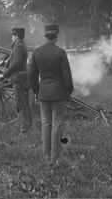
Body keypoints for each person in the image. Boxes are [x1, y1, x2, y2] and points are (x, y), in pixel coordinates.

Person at [29, 24, 74, 166]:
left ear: (45, 36)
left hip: (43, 92)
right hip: (58, 93)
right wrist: (69, 90)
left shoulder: (37, 52)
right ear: (56, 36)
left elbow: (32, 75)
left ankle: (46, 154)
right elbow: (66, 75)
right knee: (57, 123)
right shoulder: (60, 52)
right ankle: (55, 157)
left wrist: (36, 91)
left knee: (46, 123)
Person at [1, 27, 32, 134]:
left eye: (13, 36)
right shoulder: (20, 45)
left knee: (21, 104)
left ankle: (24, 129)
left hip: (19, 79)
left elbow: (16, 64)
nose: (12, 38)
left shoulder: (18, 46)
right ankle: (29, 126)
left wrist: (5, 74)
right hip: (22, 78)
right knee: (25, 104)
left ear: (17, 36)